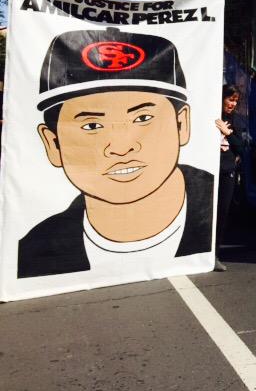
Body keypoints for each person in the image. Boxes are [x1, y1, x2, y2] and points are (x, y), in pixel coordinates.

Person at [19, 27, 214, 278]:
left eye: (143, 118)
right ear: (53, 144)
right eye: (92, 126)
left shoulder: (216, 208)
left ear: (182, 125)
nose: (121, 147)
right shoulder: (33, 253)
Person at [214, 84, 245, 272]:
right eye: (230, 99)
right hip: (209, 171)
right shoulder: (211, 116)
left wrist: (227, 133)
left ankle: (215, 254)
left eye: (235, 101)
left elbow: (241, 148)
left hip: (227, 172)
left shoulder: (236, 121)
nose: (232, 104)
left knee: (222, 213)